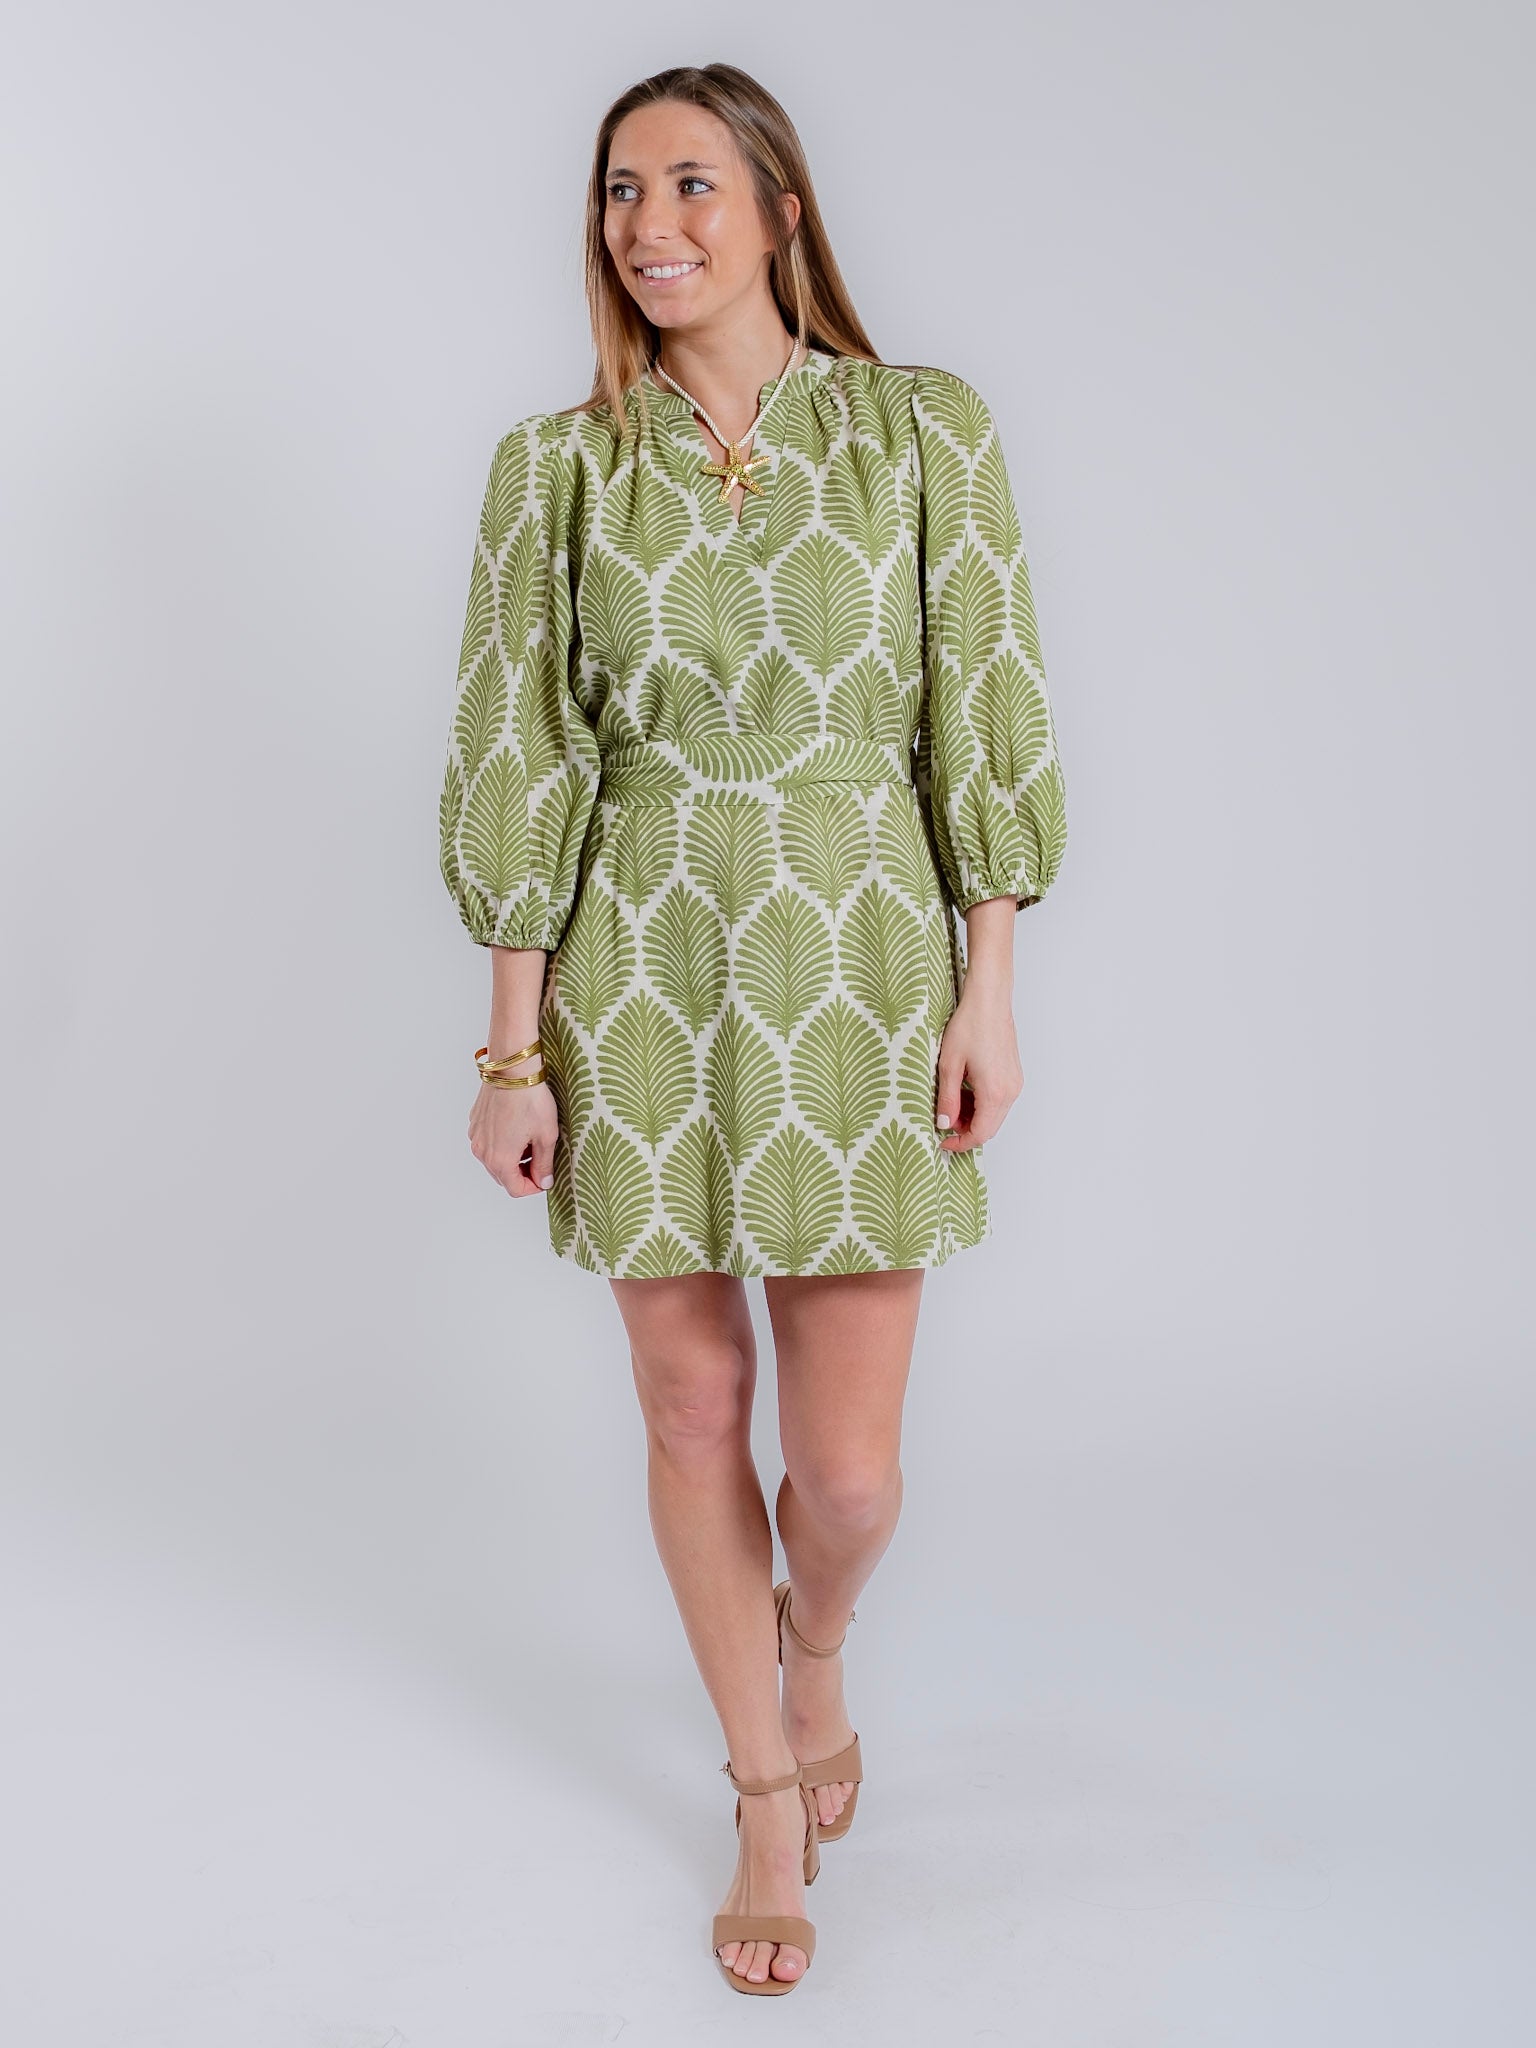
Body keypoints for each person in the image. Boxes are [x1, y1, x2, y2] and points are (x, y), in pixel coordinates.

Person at [438, 61, 1067, 1996]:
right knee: (692, 1403)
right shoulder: (558, 467)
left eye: (695, 184)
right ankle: (765, 1797)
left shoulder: (923, 430)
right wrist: (513, 1048)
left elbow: (986, 709)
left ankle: (816, 1648)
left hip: (863, 958)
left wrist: (989, 986)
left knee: (849, 1477)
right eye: (622, 189)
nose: (652, 225)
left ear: (784, 210)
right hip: (635, 962)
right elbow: (521, 751)